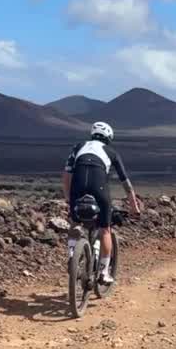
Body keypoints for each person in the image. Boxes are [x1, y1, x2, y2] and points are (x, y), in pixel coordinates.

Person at [62, 121, 140, 283]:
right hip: (99, 187)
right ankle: (104, 272)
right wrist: (134, 206)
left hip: (77, 185)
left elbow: (67, 176)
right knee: (105, 229)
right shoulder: (111, 152)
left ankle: (71, 254)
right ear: (109, 138)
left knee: (75, 222)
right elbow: (125, 182)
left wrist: (69, 198)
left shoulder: (79, 146)